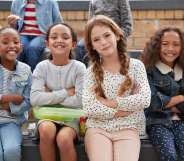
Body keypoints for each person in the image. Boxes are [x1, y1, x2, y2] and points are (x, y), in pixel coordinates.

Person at [82, 15, 151, 161]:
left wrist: (109, 103)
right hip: (97, 128)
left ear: (118, 35)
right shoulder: (90, 72)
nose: (103, 42)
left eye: (107, 35)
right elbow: (90, 107)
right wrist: (124, 110)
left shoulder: (136, 66)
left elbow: (144, 99)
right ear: (92, 45)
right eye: (96, 39)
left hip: (129, 127)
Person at [30, 23, 86, 161]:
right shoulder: (41, 67)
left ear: (73, 44)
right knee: (46, 131)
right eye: (54, 37)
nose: (59, 40)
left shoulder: (79, 68)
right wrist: (66, 92)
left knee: (64, 138)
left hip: (72, 117)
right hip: (46, 114)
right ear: (47, 43)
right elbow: (35, 99)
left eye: (65, 37)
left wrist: (49, 93)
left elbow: (80, 100)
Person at [142, 27, 184, 161]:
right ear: (157, 46)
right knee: (169, 155)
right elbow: (152, 102)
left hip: (181, 122)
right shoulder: (149, 70)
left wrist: (165, 103)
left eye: (176, 44)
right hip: (157, 122)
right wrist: (181, 97)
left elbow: (158, 102)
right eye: (165, 44)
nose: (170, 49)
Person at [0, 27, 32, 161]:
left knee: (11, 150)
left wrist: (10, 107)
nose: (11, 46)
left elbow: (28, 100)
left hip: (11, 121)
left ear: (21, 46)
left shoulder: (26, 70)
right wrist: (7, 98)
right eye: (5, 42)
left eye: (16, 42)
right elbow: (17, 98)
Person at [7, 0, 63, 71]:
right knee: (18, 47)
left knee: (32, 48)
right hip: (22, 34)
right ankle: (13, 75)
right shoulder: (17, 2)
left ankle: (32, 76)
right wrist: (12, 23)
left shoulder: (50, 2)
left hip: (42, 34)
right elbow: (14, 29)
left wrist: (55, 37)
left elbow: (58, 22)